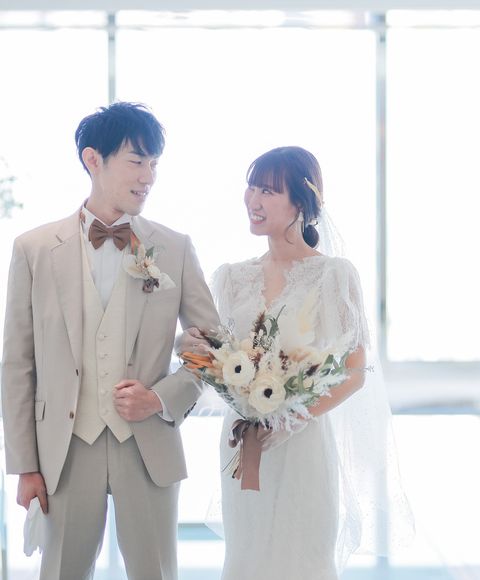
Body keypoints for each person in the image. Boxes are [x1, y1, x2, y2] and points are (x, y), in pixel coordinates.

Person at [1, 101, 220, 579]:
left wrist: (160, 398)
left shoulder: (174, 247)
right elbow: (17, 364)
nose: (148, 177)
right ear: (93, 159)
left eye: (154, 164)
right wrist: (25, 466)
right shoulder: (33, 249)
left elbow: (212, 348)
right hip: (64, 449)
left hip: (148, 446)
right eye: (137, 161)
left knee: (155, 572)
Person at [180, 146, 413, 580]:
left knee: (302, 559)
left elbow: (355, 372)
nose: (254, 199)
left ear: (301, 204)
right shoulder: (231, 277)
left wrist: (292, 418)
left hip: (303, 443)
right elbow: (219, 358)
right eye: (251, 187)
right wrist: (196, 353)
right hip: (243, 441)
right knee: (247, 560)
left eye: (268, 191)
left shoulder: (334, 275)